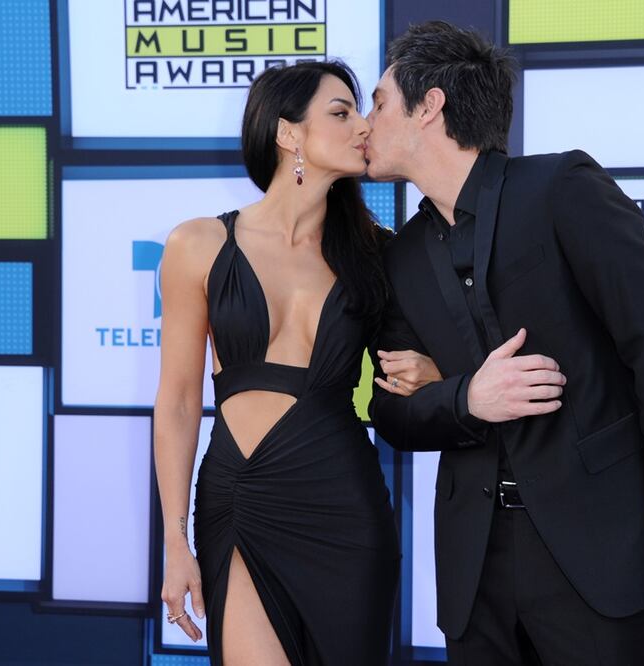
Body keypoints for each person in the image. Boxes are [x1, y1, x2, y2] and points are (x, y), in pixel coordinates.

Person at [366, 21, 644, 665]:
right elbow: (391, 411)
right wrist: (465, 398)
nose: (366, 123)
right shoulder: (404, 255)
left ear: (430, 106)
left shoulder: (561, 189)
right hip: (474, 567)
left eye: (380, 101)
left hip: (599, 547)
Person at [153, 61, 437, 666]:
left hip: (343, 505)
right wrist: (175, 543)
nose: (363, 125)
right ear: (288, 134)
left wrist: (434, 377)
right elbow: (177, 402)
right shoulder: (197, 245)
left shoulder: (381, 254)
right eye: (341, 112)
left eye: (361, 111)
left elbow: (417, 371)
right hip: (240, 498)